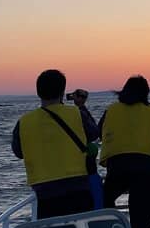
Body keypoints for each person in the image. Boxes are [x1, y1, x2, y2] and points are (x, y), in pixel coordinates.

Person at [11, 69, 97, 218]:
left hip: (45, 190)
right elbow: (94, 133)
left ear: (39, 92)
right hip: (77, 185)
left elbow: (18, 152)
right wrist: (81, 106)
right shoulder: (77, 113)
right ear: (63, 91)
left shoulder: (24, 122)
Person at [97, 76, 150, 228]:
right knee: (142, 213)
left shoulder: (111, 110)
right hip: (146, 165)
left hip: (118, 164)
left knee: (105, 199)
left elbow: (99, 132)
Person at [66, 88, 103, 209]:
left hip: (79, 154)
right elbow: (94, 131)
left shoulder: (76, 113)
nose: (72, 97)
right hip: (87, 153)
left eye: (75, 96)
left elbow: (93, 132)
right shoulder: (82, 112)